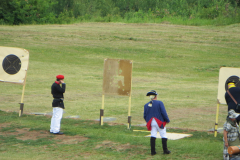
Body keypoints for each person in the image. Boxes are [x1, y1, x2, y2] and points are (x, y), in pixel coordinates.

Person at [143, 90, 171, 155]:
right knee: (163, 134)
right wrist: (167, 120)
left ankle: (153, 152)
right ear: (155, 96)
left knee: (153, 135)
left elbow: (145, 115)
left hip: (151, 122)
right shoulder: (160, 103)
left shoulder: (146, 105)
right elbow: (163, 112)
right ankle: (165, 150)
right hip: (159, 121)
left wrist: (148, 121)